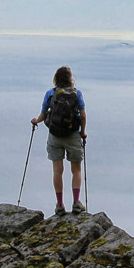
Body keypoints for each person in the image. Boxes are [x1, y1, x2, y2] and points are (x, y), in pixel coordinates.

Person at [31, 66, 87, 216]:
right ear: (70, 78)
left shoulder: (50, 94)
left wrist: (35, 121)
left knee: (57, 171)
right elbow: (82, 116)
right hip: (73, 135)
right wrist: (82, 133)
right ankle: (76, 202)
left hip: (55, 136)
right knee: (76, 170)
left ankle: (60, 205)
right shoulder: (77, 93)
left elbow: (43, 114)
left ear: (56, 78)